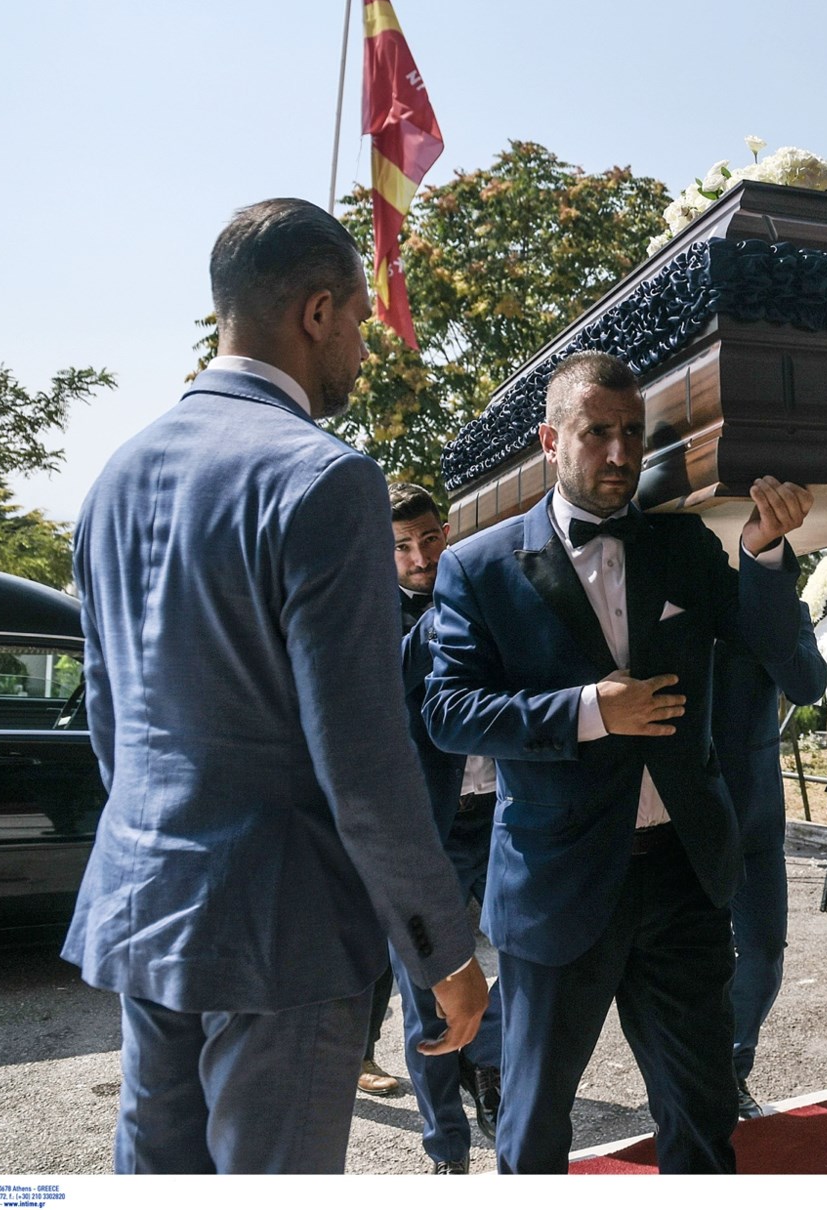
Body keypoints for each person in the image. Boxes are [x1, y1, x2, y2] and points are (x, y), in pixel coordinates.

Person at [64, 198, 488, 1174]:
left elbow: (110, 716)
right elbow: (364, 757)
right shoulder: (325, 479)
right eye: (360, 323)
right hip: (280, 932)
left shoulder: (114, 476)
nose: (362, 350)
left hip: (146, 903)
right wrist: (443, 949)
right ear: (316, 312)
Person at [423, 350, 811, 1174]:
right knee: (534, 1121)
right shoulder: (478, 567)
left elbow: (787, 661)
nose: (620, 452)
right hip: (558, 882)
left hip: (682, 877)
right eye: (596, 432)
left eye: (632, 432)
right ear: (550, 441)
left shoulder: (683, 546)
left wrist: (766, 552)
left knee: (702, 1112)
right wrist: (591, 710)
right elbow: (449, 712)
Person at [388, 481, 506, 1172]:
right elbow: (392, 674)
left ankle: (488, 1066)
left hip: (500, 815)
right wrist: (451, 609)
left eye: (430, 539)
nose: (420, 557)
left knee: (528, 952)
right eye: (402, 547)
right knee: (424, 990)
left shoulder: (486, 590)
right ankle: (447, 1149)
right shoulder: (372, 611)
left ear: (447, 533)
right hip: (425, 831)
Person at [712, 604, 827, 1119]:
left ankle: (729, 1071)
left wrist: (767, 612)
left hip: (753, 814)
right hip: (674, 813)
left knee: (762, 955)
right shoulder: (673, 586)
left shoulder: (779, 606)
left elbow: (808, 685)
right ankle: (696, 1078)